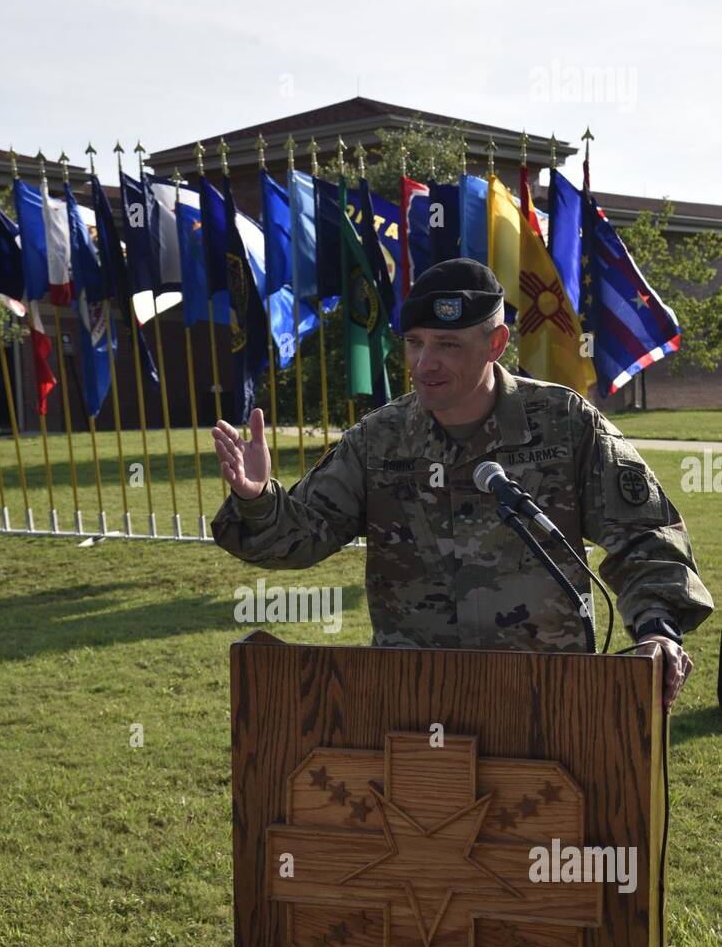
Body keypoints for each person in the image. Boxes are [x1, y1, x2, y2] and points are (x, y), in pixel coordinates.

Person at [210, 259, 713, 711]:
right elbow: (301, 536)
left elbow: (647, 535)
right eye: (415, 343)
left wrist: (656, 631)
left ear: (495, 344)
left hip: (548, 699)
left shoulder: (563, 424)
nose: (424, 364)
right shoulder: (378, 440)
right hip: (415, 700)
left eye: (447, 345)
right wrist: (257, 500)